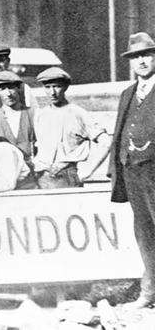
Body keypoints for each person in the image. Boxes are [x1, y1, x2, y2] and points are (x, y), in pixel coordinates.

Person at [110, 32, 155, 308]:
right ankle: (149, 292)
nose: (141, 61)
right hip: (133, 172)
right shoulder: (128, 93)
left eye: (146, 55)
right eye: (136, 56)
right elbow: (119, 133)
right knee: (144, 233)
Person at [33, 66, 110, 189]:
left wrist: (86, 172)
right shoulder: (41, 115)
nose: (52, 92)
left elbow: (106, 143)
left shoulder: (77, 113)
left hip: (66, 176)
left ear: (65, 87)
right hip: (41, 176)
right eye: (47, 87)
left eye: (56, 86)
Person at [0, 70, 38, 175]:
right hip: (7, 175)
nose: (8, 94)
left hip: (34, 173)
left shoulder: (35, 114)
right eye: (3, 89)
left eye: (11, 88)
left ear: (18, 89)